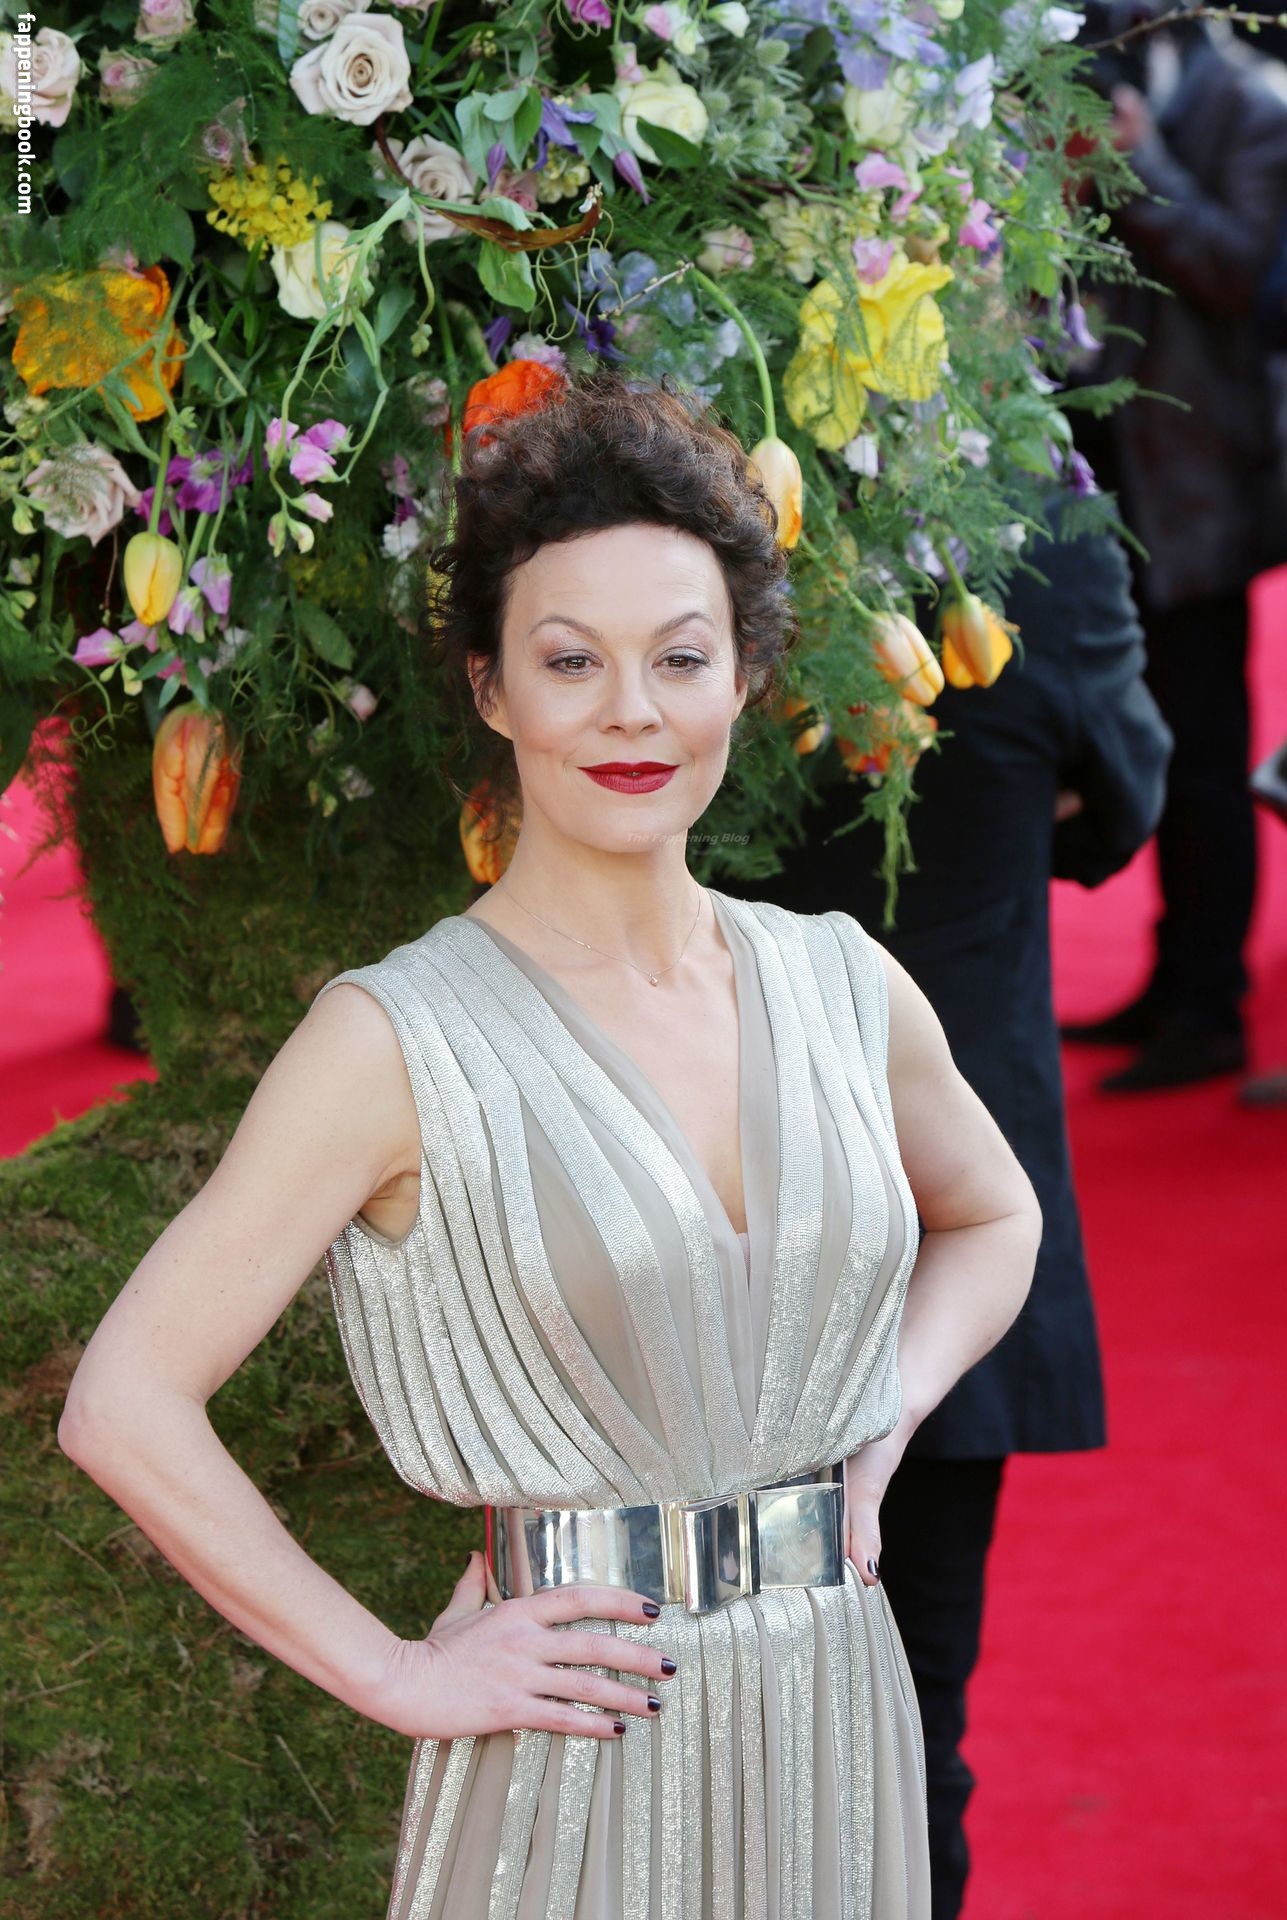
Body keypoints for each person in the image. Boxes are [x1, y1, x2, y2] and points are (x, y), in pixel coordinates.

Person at [56, 371, 1043, 1920]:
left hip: (831, 1714)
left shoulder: (839, 982)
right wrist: (394, 1674)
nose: (631, 712)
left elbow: (993, 1217)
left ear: (743, 677)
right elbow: (124, 1403)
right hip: (582, 1746)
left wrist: (885, 1414)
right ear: (492, 690)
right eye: (570, 661)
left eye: (679, 658)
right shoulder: (393, 1041)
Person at [756, 502, 1172, 1918]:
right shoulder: (1033, 520)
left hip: (698, 1197)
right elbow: (1123, 795)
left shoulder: (650, 499)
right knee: (905, 1726)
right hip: (941, 1199)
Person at [1062, 8, 1287, 1089]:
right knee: (1129, 736)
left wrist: (1137, 161)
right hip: (1098, 472)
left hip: (1194, 490)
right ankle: (1170, 979)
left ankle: (1209, 1002)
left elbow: (1239, 268)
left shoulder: (1245, 102)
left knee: (1202, 751)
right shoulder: (1082, 80)